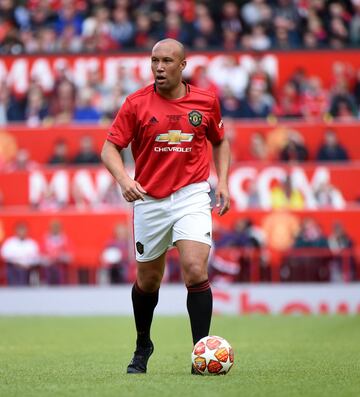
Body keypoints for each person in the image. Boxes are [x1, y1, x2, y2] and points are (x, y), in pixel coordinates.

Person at [101, 38, 230, 375]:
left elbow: (221, 141)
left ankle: (200, 353)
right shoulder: (136, 104)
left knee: (195, 269)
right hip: (149, 200)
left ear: (183, 65)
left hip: (191, 194)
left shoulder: (206, 101)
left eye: (167, 61)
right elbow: (109, 149)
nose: (159, 67)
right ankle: (143, 344)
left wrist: (225, 182)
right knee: (148, 282)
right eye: (154, 60)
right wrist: (125, 180)